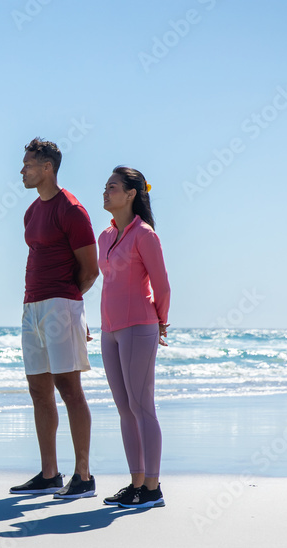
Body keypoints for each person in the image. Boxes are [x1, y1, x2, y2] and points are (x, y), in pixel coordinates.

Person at [9, 138, 99, 499]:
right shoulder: (31, 212)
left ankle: (83, 476)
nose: (22, 170)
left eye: (28, 164)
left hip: (61, 304)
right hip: (32, 307)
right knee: (38, 389)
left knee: (68, 387)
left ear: (47, 168)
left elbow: (90, 271)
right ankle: (49, 475)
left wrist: (71, 308)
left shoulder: (72, 209)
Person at [97, 167, 170, 509]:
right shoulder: (105, 236)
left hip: (139, 326)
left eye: (112, 187)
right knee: (125, 409)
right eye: (106, 187)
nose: (105, 192)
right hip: (109, 331)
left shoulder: (145, 235)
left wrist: (161, 322)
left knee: (143, 407)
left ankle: (152, 490)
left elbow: (162, 285)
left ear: (131, 194)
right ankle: (136, 483)